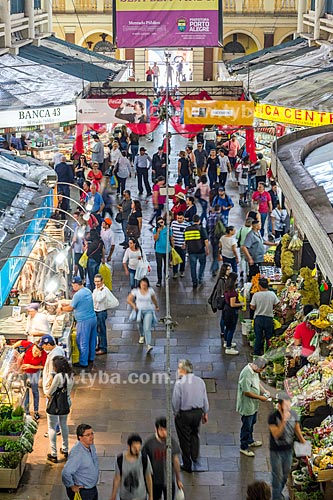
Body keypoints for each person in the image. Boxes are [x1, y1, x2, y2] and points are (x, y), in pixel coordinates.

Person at [172, 359, 209, 473]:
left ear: (183, 370)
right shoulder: (200, 381)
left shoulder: (179, 383)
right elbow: (204, 398)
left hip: (184, 414)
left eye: (178, 368)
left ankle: (187, 464)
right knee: (194, 435)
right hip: (197, 413)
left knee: (184, 438)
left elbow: (176, 401)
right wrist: (205, 412)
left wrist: (175, 413)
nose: (177, 371)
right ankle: (195, 458)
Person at [268, 393, 306, 500]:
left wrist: (303, 442)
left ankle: (279, 493)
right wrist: (284, 421)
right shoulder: (273, 417)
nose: (288, 408)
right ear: (279, 406)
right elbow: (276, 434)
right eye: (286, 406)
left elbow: (297, 429)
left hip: (288, 451)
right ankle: (276, 497)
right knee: (277, 476)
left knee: (285, 474)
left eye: (289, 406)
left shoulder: (293, 414)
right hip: (276, 452)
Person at [59, 277, 97, 368]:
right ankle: (91, 358)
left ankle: (83, 362)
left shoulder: (78, 295)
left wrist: (61, 309)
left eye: (73, 285)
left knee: (82, 342)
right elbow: (78, 303)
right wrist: (67, 304)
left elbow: (71, 308)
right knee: (92, 340)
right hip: (93, 319)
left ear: (76, 284)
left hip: (84, 321)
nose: (73, 287)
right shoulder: (87, 291)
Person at [236, 357, 271, 457]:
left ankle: (250, 441)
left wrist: (264, 390)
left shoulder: (254, 371)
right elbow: (246, 392)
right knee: (246, 426)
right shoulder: (246, 374)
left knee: (252, 423)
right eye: (260, 369)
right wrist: (260, 397)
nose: (261, 372)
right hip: (247, 405)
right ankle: (244, 447)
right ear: (255, 365)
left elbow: (257, 382)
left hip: (253, 405)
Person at [143, 417, 183, 500]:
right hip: (155, 480)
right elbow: (143, 461)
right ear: (156, 429)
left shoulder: (172, 442)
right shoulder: (149, 443)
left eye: (166, 429)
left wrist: (178, 479)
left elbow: (176, 461)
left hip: (169, 480)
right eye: (161, 429)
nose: (164, 432)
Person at [45, 356, 74, 463]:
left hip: (55, 405)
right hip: (66, 403)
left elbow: (50, 392)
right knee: (64, 425)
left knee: (52, 427)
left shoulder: (58, 377)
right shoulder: (70, 376)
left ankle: (53, 454)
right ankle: (65, 449)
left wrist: (47, 392)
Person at [111, 433, 153, 500]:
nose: (137, 451)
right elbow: (117, 478)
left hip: (140, 496)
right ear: (129, 446)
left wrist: (151, 496)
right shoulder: (120, 459)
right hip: (125, 496)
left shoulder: (144, 459)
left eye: (139, 448)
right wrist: (113, 495)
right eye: (134, 448)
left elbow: (148, 477)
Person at [62, 423, 99, 500]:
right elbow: (66, 473)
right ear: (80, 437)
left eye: (92, 433)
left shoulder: (90, 445)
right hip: (83, 492)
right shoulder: (77, 454)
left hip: (92, 488)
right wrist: (72, 486)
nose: (91, 437)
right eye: (88, 435)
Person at [12, 340, 47, 419]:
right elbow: (20, 342)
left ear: (41, 351)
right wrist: (12, 348)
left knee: (35, 391)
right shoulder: (29, 345)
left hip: (34, 373)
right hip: (24, 371)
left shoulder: (44, 355)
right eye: (34, 350)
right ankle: (26, 411)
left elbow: (43, 366)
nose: (35, 352)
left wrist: (31, 366)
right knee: (25, 391)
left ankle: (36, 411)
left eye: (37, 352)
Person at [127, 278, 159, 354]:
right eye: (142, 284)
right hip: (139, 311)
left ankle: (148, 344)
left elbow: (154, 299)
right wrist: (134, 306)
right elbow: (129, 299)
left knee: (147, 327)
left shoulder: (150, 290)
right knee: (139, 322)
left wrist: (156, 306)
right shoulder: (136, 291)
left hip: (148, 310)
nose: (144, 286)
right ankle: (142, 335)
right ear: (140, 285)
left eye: (145, 284)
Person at [250, 278, 279, 356]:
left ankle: (256, 352)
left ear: (259, 286)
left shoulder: (256, 295)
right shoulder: (272, 294)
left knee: (258, 336)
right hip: (269, 318)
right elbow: (277, 304)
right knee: (269, 337)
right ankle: (269, 353)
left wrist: (258, 307)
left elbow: (252, 307)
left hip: (258, 318)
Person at [93, 274, 117, 355]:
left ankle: (103, 348)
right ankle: (99, 345)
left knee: (102, 330)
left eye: (98, 281)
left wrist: (98, 291)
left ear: (102, 281)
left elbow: (98, 299)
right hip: (96, 311)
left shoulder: (104, 290)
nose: (97, 283)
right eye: (95, 281)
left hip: (101, 312)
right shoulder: (96, 289)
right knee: (97, 330)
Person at [185, 214, 209, 288]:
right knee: (202, 264)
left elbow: (186, 240)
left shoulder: (187, 229)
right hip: (200, 250)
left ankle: (194, 282)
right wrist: (207, 249)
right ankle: (200, 278)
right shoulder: (201, 229)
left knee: (193, 267)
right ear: (199, 221)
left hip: (191, 251)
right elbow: (206, 240)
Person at [223, 272, 243, 354]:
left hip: (226, 310)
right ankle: (228, 347)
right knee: (231, 328)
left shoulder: (226, 288)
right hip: (231, 312)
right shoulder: (232, 292)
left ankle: (226, 341)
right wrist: (242, 303)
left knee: (227, 327)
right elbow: (233, 304)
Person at [153, 216, 173, 287]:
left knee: (166, 265)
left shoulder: (168, 229)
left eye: (162, 222)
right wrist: (158, 231)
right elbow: (155, 239)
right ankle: (159, 279)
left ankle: (166, 275)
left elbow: (171, 238)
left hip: (167, 250)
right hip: (159, 250)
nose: (161, 224)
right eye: (159, 223)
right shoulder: (155, 229)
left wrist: (173, 247)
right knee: (159, 265)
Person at [207, 205, 225, 277]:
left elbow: (207, 227)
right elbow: (225, 227)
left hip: (212, 237)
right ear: (220, 209)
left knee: (215, 253)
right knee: (217, 253)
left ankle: (216, 267)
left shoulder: (209, 217)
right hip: (219, 238)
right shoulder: (221, 216)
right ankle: (214, 269)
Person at [171, 212, 188, 278]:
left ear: (183, 217)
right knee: (175, 259)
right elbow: (171, 233)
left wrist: (185, 243)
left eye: (180, 218)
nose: (179, 219)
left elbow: (187, 235)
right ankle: (175, 272)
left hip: (182, 245)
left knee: (183, 259)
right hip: (175, 245)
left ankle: (182, 271)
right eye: (178, 218)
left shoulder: (186, 225)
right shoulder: (173, 223)